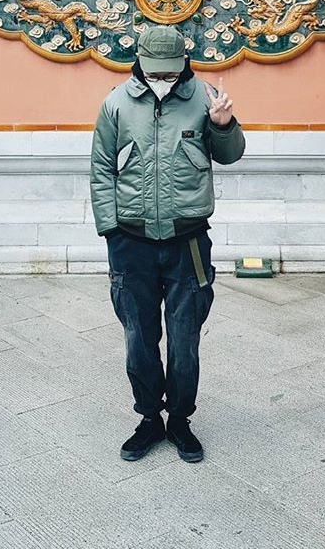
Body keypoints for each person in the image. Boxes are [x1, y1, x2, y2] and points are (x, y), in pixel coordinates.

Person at [89, 23, 245, 463]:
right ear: (139, 62)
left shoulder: (205, 99)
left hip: (188, 241)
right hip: (131, 242)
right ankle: (148, 419)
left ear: (184, 63)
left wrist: (223, 125)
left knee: (184, 338)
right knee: (138, 337)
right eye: (156, 71)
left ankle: (179, 420)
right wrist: (112, 232)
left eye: (171, 71)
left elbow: (230, 154)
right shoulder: (116, 104)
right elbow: (101, 170)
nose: (163, 79)